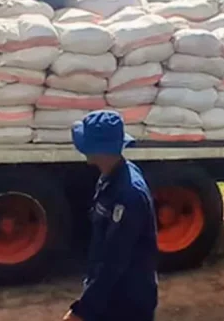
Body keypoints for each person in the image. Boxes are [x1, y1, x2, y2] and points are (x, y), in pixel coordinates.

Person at [63, 110, 158, 321]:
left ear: (98, 150)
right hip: (112, 295)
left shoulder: (128, 195)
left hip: (127, 302)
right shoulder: (109, 177)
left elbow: (114, 262)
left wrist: (82, 310)